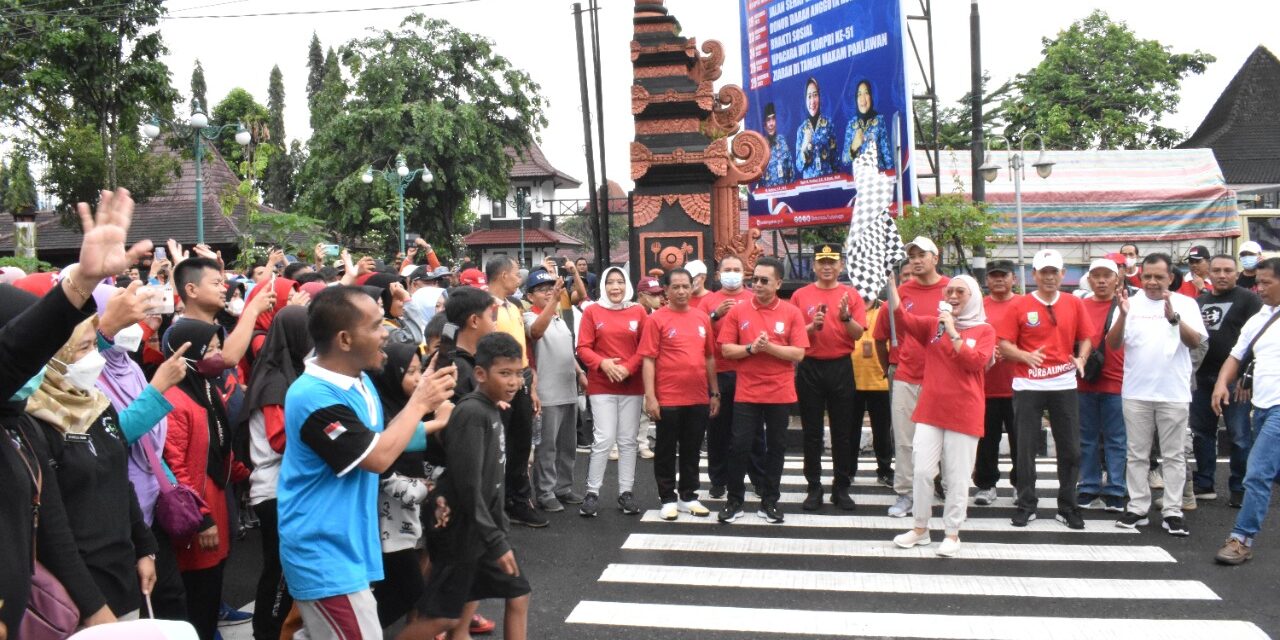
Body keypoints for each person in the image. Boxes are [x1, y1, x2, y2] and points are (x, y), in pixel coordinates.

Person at [0, 187, 154, 635]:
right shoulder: (36, 420)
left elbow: (119, 477)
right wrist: (79, 286)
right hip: (81, 589)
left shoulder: (18, 424)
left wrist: (143, 544)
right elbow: (54, 528)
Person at [278, 286, 455, 640]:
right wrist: (420, 403)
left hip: (353, 545)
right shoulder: (313, 396)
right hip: (324, 552)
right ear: (344, 339)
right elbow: (376, 457)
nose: (385, 333)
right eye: (375, 326)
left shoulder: (359, 381)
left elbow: (383, 438)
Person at [404, 333, 531, 640]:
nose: (514, 382)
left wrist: (498, 529)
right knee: (443, 618)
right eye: (505, 373)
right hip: (461, 530)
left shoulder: (491, 408)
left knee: (517, 594)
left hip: (482, 528)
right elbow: (468, 485)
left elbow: (491, 481)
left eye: (518, 373)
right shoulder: (473, 413)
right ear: (480, 374)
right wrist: (496, 539)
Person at [889, 275, 995, 557]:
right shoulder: (932, 325)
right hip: (931, 409)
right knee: (922, 471)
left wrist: (952, 331)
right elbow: (903, 319)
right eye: (949, 291)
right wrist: (891, 285)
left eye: (960, 292)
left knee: (957, 477)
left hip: (964, 412)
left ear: (973, 297)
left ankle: (952, 533)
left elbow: (974, 362)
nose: (953, 296)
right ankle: (920, 529)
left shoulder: (984, 330)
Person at [160, 321, 252, 640]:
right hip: (198, 510)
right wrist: (202, 519)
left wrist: (245, 475)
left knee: (212, 584)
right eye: (210, 349)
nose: (218, 355)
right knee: (199, 591)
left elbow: (221, 446)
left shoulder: (207, 389)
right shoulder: (175, 399)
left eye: (217, 347)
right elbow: (175, 467)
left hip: (216, 499)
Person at [1105, 254, 1208, 537]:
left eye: (1158, 277)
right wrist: (1122, 315)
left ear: (1170, 278)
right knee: (1136, 454)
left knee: (1174, 455)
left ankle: (1172, 511)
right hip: (1136, 391)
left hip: (1173, 392)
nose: (1152, 282)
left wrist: (1174, 319)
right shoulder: (1129, 303)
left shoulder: (1185, 303)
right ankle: (1138, 507)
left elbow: (1195, 341)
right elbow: (1113, 344)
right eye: (1147, 276)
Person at [994, 249, 1093, 529]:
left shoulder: (1074, 303)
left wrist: (1082, 358)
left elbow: (1087, 337)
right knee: (1025, 448)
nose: (1049, 277)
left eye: (1054, 272)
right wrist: (1024, 356)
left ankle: (1068, 506)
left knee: (1070, 448)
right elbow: (1003, 344)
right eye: (1044, 272)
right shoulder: (1019, 305)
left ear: (1063, 274)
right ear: (1034, 274)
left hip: (1064, 383)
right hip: (1028, 384)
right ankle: (1027, 504)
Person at [717, 257, 809, 524]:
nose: (757, 284)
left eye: (764, 280)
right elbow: (726, 350)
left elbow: (799, 353)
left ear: (778, 283)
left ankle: (770, 500)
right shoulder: (738, 311)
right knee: (739, 446)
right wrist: (751, 348)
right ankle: (734, 500)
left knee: (776, 447)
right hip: (747, 391)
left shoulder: (791, 312)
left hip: (780, 391)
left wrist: (769, 348)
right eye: (754, 279)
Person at [244, 306, 312, 640]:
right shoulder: (275, 381)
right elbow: (280, 439)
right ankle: (268, 632)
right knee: (281, 572)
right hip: (275, 491)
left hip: (282, 489)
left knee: (283, 569)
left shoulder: (285, 373)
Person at [874, 236, 950, 518]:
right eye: (912, 256)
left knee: (946, 440)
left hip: (944, 378)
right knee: (905, 439)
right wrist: (889, 370)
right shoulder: (900, 294)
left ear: (935, 258)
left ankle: (945, 487)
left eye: (922, 255)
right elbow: (880, 336)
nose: (916, 261)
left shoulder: (953, 290)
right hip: (907, 376)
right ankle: (906, 493)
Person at [1212, 258, 1280, 564]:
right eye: (1258, 283)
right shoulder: (1259, 318)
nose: (1259, 288)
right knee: (1268, 472)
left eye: (1267, 283)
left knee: (1257, 473)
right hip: (1261, 407)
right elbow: (1236, 355)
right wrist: (1221, 384)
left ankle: (1241, 538)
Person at [369, 342, 441, 628]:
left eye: (419, 370)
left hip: (407, 511)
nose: (418, 378)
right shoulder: (382, 408)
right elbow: (388, 454)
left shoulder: (406, 404)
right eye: (410, 372)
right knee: (410, 589)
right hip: (390, 512)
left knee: (396, 585)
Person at [790, 245, 866, 511]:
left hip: (840, 367)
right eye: (821, 262)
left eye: (831, 262)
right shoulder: (800, 296)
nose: (826, 267)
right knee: (811, 432)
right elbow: (792, 335)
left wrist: (845, 318)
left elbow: (858, 334)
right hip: (810, 367)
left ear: (840, 266)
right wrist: (812, 327)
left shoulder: (851, 295)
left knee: (842, 432)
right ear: (813, 266)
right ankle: (814, 487)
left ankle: (841, 487)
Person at [640, 268, 719, 520]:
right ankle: (667, 498)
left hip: (697, 396)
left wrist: (714, 392)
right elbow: (648, 359)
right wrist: (650, 396)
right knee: (665, 450)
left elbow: (709, 357)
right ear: (666, 290)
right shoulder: (656, 320)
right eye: (676, 287)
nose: (682, 291)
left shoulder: (702, 318)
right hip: (668, 397)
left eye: (686, 286)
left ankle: (688, 496)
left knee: (692, 449)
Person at [577, 266, 649, 516]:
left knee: (628, 440)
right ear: (603, 286)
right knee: (604, 438)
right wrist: (603, 364)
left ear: (626, 284)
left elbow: (645, 347)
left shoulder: (638, 311)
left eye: (620, 282)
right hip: (602, 384)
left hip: (631, 384)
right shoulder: (592, 311)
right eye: (610, 282)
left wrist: (628, 368)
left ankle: (625, 492)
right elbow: (583, 348)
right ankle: (592, 492)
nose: (615, 287)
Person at [1192, 254, 1263, 507]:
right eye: (1217, 270)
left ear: (1236, 273)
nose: (1222, 275)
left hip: (1236, 380)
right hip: (1201, 378)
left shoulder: (1250, 300)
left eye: (1228, 270)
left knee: (1239, 435)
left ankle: (1239, 487)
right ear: (1208, 273)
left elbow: (1257, 340)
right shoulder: (1199, 302)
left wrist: (1247, 376)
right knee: (1201, 433)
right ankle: (1204, 483)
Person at [485, 256, 547, 528]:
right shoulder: (485, 307)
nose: (519, 279)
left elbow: (525, 349)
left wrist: (530, 384)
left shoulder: (514, 306)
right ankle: (494, 504)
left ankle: (518, 501)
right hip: (498, 384)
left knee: (521, 445)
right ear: (502, 276)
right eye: (515, 273)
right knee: (496, 447)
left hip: (521, 378)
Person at [698, 255, 767, 499]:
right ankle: (719, 480)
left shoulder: (754, 298)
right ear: (718, 274)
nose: (732, 273)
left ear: (744, 273)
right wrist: (715, 315)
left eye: (737, 269)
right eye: (727, 269)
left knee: (754, 431)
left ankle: (759, 479)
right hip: (719, 372)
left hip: (749, 372)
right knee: (718, 430)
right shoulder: (708, 301)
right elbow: (696, 332)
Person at [524, 270, 585, 512]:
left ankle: (563, 487)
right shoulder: (529, 317)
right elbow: (536, 332)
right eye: (542, 290)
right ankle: (545, 492)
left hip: (568, 388)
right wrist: (554, 302)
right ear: (530, 296)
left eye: (551, 288)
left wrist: (580, 373)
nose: (549, 292)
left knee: (568, 446)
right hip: (546, 393)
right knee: (547, 447)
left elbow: (568, 352)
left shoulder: (559, 318)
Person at [1076, 258, 1128, 512]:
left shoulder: (1126, 305)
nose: (1101, 281)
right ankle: (1088, 485)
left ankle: (1116, 488)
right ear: (1089, 279)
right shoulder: (1080, 306)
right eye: (1096, 276)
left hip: (1118, 381)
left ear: (1117, 278)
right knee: (1087, 438)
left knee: (1116, 439)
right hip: (1084, 380)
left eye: (1107, 275)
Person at [973, 261, 1021, 506]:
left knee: (1021, 440)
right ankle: (985, 485)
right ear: (987, 280)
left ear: (1014, 279)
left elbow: (1034, 339)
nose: (999, 280)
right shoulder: (978, 307)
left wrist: (1012, 351)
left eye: (1004, 275)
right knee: (986, 440)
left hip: (1019, 385)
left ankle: (1021, 485)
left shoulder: (1024, 305)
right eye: (994, 276)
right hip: (985, 386)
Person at [852, 298, 893, 487]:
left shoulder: (885, 309)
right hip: (852, 379)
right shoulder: (849, 309)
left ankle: (885, 470)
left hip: (880, 380)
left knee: (883, 432)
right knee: (849, 431)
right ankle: (847, 471)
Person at [793, 77, 837, 179]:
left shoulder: (829, 124)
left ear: (819, 97)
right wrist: (804, 147)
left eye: (815, 95)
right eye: (809, 96)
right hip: (809, 185)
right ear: (805, 100)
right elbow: (799, 167)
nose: (812, 101)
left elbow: (835, 162)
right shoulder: (801, 130)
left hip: (828, 183)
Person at [760, 103, 794, 187]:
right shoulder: (761, 145)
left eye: (773, 119)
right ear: (765, 124)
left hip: (784, 189)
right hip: (768, 191)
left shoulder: (782, 140)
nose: (771, 123)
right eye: (768, 120)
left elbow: (790, 167)